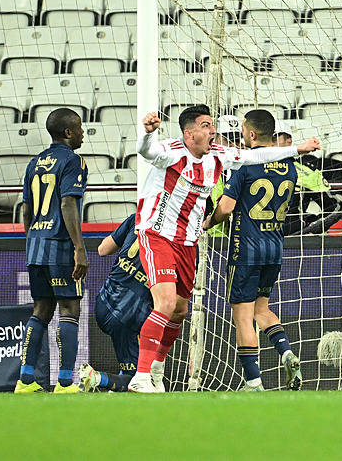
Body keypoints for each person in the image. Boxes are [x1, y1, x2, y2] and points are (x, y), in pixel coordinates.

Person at [129, 105, 320, 392]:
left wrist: (298, 150)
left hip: (189, 241)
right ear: (189, 133)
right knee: (167, 303)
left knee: (180, 310)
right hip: (159, 234)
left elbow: (256, 155)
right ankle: (140, 376)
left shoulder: (219, 155)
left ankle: (157, 368)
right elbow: (147, 152)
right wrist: (147, 133)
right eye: (206, 126)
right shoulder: (172, 151)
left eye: (212, 125)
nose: (213, 130)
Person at [203, 110, 303, 391]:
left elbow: (226, 206)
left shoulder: (245, 166)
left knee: (243, 316)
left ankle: (254, 381)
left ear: (251, 134)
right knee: (262, 309)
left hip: (245, 249)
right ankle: (286, 352)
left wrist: (210, 222)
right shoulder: (289, 165)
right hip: (274, 247)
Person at [16, 107, 88, 394]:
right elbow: (68, 204)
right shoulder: (73, 160)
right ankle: (66, 382)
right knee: (70, 308)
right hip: (60, 246)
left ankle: (25, 380)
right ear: (69, 132)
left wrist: (33, 237)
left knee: (41, 310)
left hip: (35, 245)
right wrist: (79, 249)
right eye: (80, 127)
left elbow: (25, 209)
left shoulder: (34, 163)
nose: (83, 132)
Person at [79, 214, 153, 393]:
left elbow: (103, 249)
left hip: (104, 301)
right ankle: (96, 377)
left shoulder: (139, 217)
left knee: (129, 362)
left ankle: (117, 385)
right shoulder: (182, 239)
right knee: (138, 379)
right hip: (130, 314)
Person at [274, 121, 342, 235]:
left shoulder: (307, 173)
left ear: (289, 141)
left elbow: (335, 207)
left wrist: (310, 226)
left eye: (274, 137)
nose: (268, 143)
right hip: (252, 241)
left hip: (293, 244)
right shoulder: (247, 168)